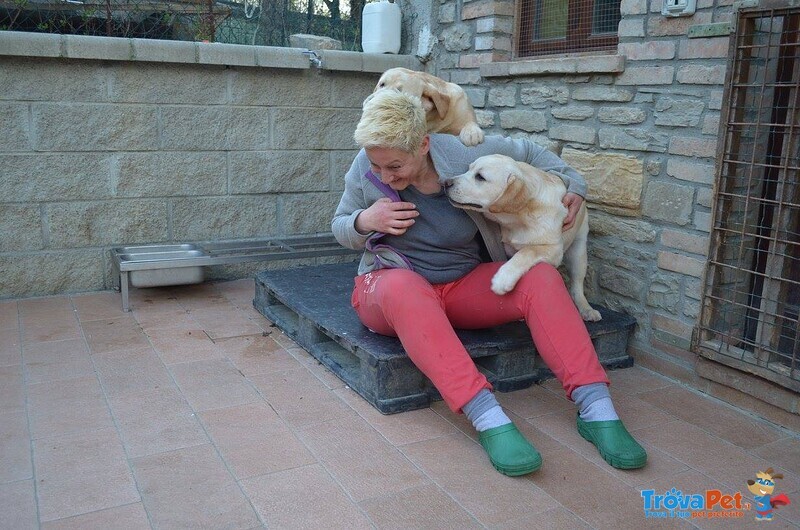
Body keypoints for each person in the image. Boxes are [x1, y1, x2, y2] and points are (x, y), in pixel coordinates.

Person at [331, 88, 646, 476]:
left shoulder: (463, 155)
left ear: (424, 144)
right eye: (377, 167)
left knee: (539, 274)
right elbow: (340, 225)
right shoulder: (366, 163)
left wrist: (574, 185)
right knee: (404, 286)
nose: (383, 175)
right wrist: (365, 222)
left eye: (394, 166)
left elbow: (531, 153)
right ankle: (488, 417)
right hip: (387, 291)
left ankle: (596, 407)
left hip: (461, 286)